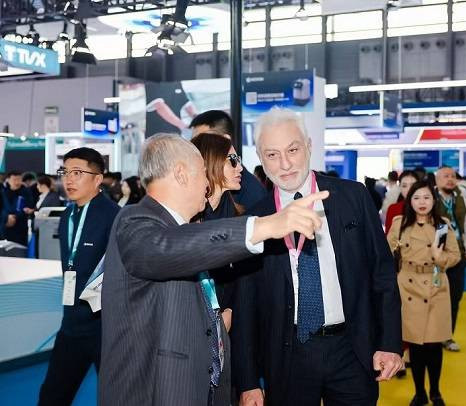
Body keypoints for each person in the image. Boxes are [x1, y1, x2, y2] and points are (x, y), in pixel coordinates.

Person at [99, 133, 328, 406]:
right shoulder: (134, 220)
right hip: (156, 391)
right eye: (202, 174)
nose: (207, 183)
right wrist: (266, 225)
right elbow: (167, 248)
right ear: (181, 174)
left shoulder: (186, 227)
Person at [233, 108, 403, 406]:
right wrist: (247, 381)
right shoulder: (256, 220)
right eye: (272, 155)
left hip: (353, 349)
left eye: (293, 150)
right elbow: (246, 305)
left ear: (309, 146)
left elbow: (383, 273)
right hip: (288, 356)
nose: (285, 164)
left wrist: (389, 343)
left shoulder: (353, 197)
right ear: (259, 157)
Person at [38, 148, 120, 405]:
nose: (69, 180)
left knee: (116, 397)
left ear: (97, 179)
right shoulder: (67, 216)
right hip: (72, 323)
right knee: (52, 395)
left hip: (105, 327)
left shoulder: (114, 216)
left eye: (77, 173)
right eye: (65, 173)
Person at [387, 181, 461, 406]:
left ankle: (435, 391)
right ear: (409, 201)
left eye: (427, 197)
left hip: (436, 286)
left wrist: (440, 258)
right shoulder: (400, 224)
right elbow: (385, 253)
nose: (422, 202)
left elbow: (455, 255)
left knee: (434, 345)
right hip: (408, 286)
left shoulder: (442, 225)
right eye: (417, 197)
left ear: (433, 200)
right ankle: (419, 393)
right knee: (416, 346)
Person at [190, 132, 245, 333]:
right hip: (195, 328)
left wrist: (231, 312)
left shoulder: (237, 215)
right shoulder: (187, 219)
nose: (240, 167)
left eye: (238, 160)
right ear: (211, 162)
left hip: (232, 323)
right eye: (232, 160)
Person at [190, 110, 266, 209]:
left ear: (225, 139)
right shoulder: (196, 191)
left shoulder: (249, 193)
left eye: (203, 139)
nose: (195, 146)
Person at [434, 166, 466, 352]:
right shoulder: (429, 199)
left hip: (457, 256)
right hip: (435, 258)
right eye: (445, 176)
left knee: (454, 298)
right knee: (433, 297)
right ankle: (431, 336)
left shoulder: (462, 201)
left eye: (452, 176)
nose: (450, 179)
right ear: (437, 180)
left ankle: (447, 336)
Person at [1, 171, 34, 246]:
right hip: (5, 226)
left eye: (19, 179)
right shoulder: (3, 192)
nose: (17, 182)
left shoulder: (26, 192)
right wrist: (7, 217)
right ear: (8, 180)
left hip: (20, 227)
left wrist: (15, 216)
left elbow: (29, 207)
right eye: (14, 180)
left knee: (20, 248)